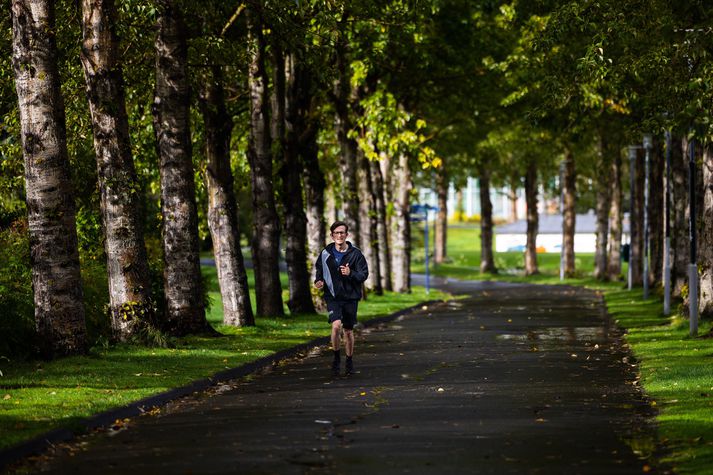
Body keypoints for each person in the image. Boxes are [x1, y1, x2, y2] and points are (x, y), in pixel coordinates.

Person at [314, 221, 369, 376]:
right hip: (332, 296)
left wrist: (350, 273)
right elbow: (320, 269)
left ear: (346, 235)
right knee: (336, 326)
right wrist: (318, 281)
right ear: (332, 235)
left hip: (351, 297)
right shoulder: (325, 253)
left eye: (342, 232)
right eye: (336, 233)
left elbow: (363, 275)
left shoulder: (356, 254)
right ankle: (337, 359)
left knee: (348, 331)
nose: (339, 235)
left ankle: (349, 361)